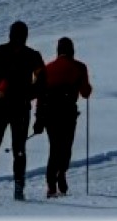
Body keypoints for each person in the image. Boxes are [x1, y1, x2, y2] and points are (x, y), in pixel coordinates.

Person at [0, 20, 45, 200]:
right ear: (25, 36)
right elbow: (42, 80)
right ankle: (18, 186)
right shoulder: (32, 55)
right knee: (19, 147)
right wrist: (29, 94)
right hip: (20, 107)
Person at [34, 37, 93, 198]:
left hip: (49, 114)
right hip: (68, 113)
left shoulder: (46, 69)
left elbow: (40, 95)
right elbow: (85, 92)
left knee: (54, 147)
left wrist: (38, 119)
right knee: (66, 146)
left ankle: (51, 185)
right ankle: (62, 173)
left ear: (58, 51)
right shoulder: (80, 67)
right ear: (72, 50)